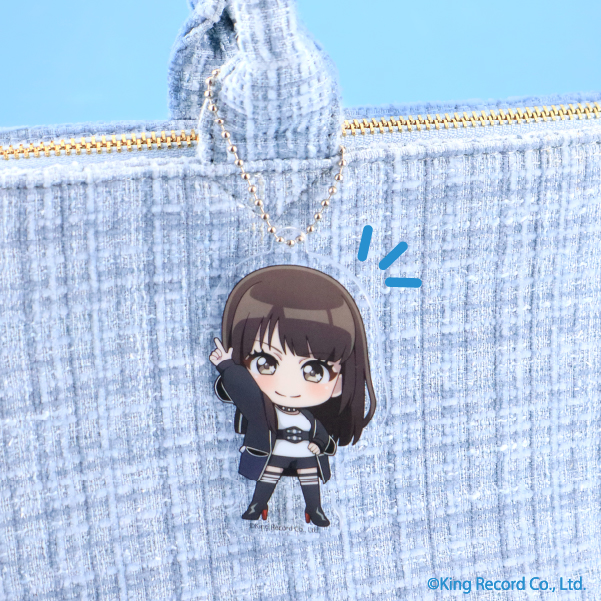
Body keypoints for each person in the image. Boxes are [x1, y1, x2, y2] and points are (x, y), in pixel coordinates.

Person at [209, 265, 376, 527]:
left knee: (309, 478)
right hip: (276, 451)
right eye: (265, 363)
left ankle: (315, 509)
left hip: (304, 453)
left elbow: (321, 435)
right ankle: (257, 505)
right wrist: (228, 368)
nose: (287, 385)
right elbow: (248, 394)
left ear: (339, 382)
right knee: (269, 477)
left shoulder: (309, 419)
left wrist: (318, 444)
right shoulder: (262, 410)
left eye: (314, 370)